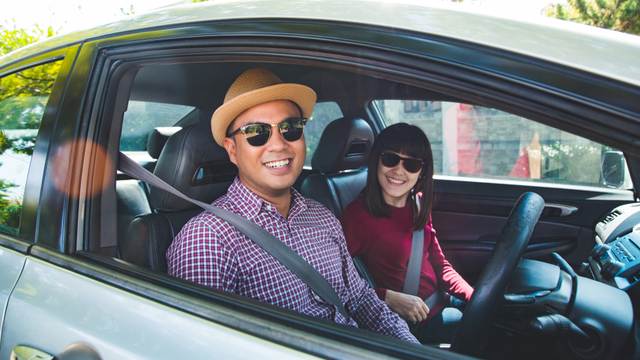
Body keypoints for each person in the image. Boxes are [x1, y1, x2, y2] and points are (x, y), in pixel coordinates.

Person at [166, 68, 418, 343]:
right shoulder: (207, 241)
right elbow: (205, 348)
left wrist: (410, 348)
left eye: (290, 129)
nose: (279, 145)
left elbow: (359, 299)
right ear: (232, 149)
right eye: (256, 133)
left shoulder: (322, 217)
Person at [341, 123, 473, 343]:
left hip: (441, 300)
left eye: (411, 164)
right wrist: (387, 297)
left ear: (421, 172)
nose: (399, 171)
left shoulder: (418, 203)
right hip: (412, 323)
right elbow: (336, 282)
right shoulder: (358, 216)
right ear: (377, 161)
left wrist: (474, 297)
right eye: (390, 159)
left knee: (496, 316)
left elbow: (440, 264)